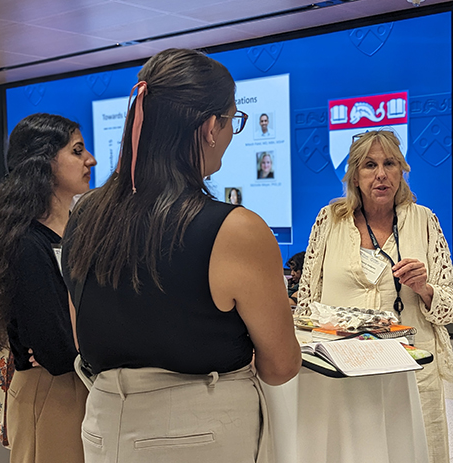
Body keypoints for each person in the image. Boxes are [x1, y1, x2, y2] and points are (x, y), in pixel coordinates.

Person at [62, 48, 301, 463]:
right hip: (201, 432)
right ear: (211, 126)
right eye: (233, 121)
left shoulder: (83, 214)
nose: (230, 134)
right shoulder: (236, 229)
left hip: (103, 427)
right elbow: (280, 365)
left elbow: (83, 336)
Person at [297, 130, 453, 463]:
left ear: (402, 170)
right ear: (355, 175)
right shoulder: (329, 221)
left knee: (412, 451)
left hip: (409, 371)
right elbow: (306, 303)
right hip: (343, 370)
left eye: (390, 163)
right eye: (370, 165)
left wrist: (425, 289)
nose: (381, 174)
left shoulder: (424, 220)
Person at [0, 113, 96, 463]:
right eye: (77, 151)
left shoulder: (79, 232)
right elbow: (54, 351)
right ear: (44, 162)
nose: (91, 160)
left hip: (87, 386)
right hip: (52, 395)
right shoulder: (24, 242)